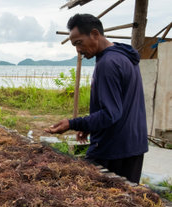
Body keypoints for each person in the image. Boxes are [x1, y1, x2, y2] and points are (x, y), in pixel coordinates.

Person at [45, 13, 148, 184]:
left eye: (79, 43)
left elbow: (110, 114)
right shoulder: (125, 57)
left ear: (94, 34)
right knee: (127, 203)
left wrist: (72, 123)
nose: (78, 50)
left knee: (97, 199)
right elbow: (120, 107)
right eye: (74, 45)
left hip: (113, 150)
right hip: (133, 147)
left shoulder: (108, 64)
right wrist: (92, 127)